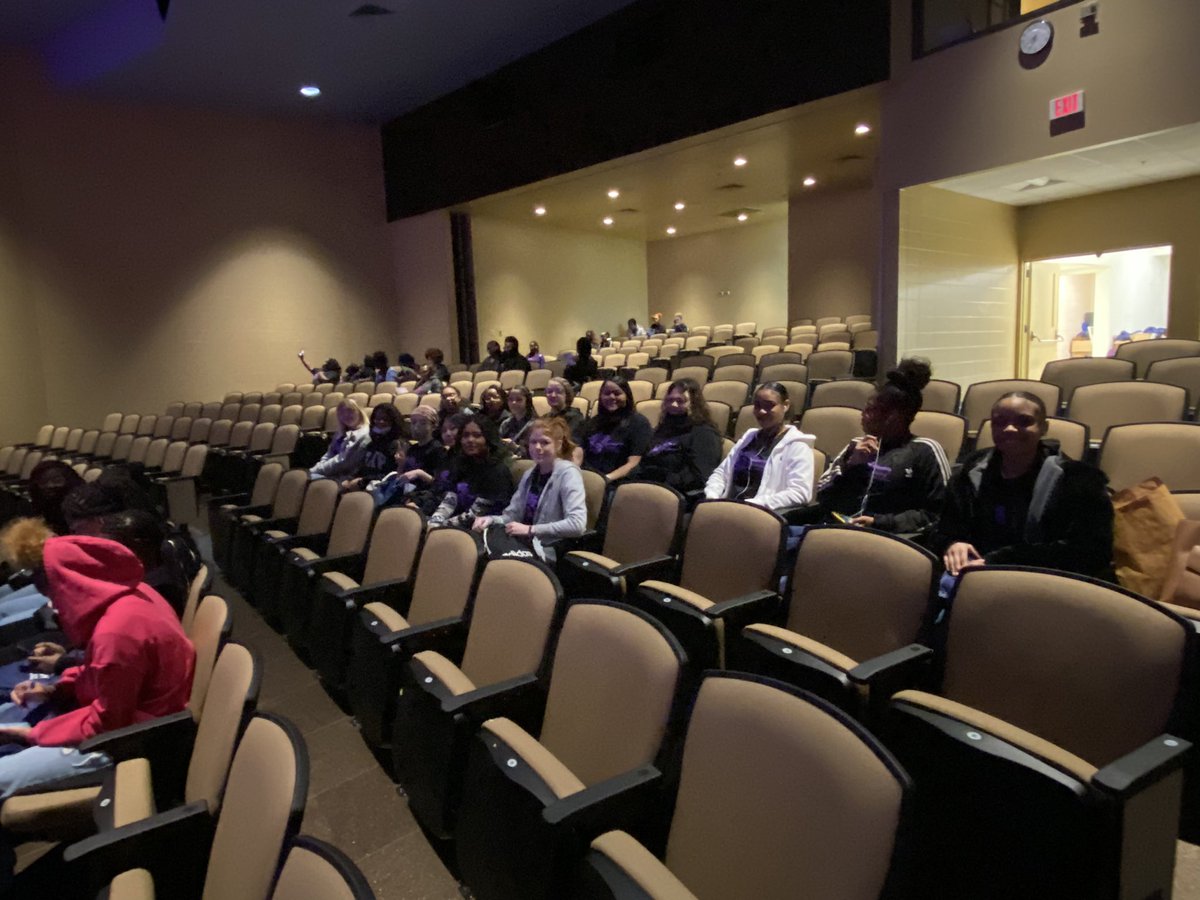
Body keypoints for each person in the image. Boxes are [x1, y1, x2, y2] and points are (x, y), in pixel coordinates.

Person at [0, 532, 194, 798]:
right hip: (136, 716)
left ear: (70, 583)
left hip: (133, 742)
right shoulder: (136, 592)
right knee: (14, 714)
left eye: (54, 595)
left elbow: (107, 724)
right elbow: (107, 676)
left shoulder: (114, 634)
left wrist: (33, 734)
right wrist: (55, 690)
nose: (55, 606)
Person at [933, 391, 1114, 580]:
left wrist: (999, 561)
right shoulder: (970, 471)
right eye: (1000, 422)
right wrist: (953, 543)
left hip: (1044, 581)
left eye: (1024, 421)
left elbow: (1091, 552)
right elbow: (945, 527)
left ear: (1044, 427)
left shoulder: (1079, 479)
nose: (1009, 428)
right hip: (972, 575)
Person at [814, 359, 951, 535]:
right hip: (837, 531)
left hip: (886, 541)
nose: (863, 415)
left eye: (872, 410)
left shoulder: (926, 451)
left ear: (894, 417)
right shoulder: (857, 446)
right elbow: (824, 498)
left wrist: (879, 522)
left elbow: (936, 514)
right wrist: (850, 465)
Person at [472, 418, 587, 564]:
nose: (537, 447)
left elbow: (577, 524)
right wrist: (490, 519)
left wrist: (531, 529)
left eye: (545, 442)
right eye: (533, 442)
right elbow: (512, 515)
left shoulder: (568, 474)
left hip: (549, 548)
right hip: (523, 542)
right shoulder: (530, 473)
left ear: (558, 445)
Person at [705, 382, 815, 511]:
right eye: (757, 406)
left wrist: (753, 504)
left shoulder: (797, 445)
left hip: (760, 514)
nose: (761, 411)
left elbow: (800, 492)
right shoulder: (748, 438)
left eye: (769, 406)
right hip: (726, 508)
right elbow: (721, 473)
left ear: (785, 405)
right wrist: (713, 496)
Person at [626, 378, 722, 493]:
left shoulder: (704, 432)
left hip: (676, 493)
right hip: (649, 485)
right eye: (670, 400)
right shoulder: (664, 428)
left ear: (694, 403)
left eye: (680, 401)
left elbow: (701, 475)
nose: (674, 404)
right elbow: (645, 460)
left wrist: (666, 480)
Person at [428, 417, 514, 529]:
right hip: (455, 524)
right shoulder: (461, 464)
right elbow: (450, 500)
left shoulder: (498, 471)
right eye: (465, 436)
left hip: (483, 528)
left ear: (488, 439)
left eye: (477, 435)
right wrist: (434, 522)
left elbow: (477, 513)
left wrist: (441, 527)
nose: (470, 440)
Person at [365, 405, 447, 508]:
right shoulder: (412, 448)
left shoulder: (437, 449)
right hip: (404, 493)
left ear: (434, 427)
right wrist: (400, 465)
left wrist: (419, 473)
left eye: (422, 423)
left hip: (421, 497)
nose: (416, 427)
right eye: (413, 423)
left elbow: (439, 484)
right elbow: (401, 477)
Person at [576, 377, 653, 482]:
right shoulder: (593, 422)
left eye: (617, 393)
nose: (611, 397)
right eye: (607, 393)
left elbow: (634, 463)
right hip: (588, 479)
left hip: (617, 482)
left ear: (627, 396)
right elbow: (579, 450)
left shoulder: (639, 423)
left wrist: (606, 479)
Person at [342, 403, 404, 491]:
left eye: (385, 419)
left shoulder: (398, 444)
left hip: (379, 488)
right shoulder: (372, 442)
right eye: (377, 419)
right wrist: (351, 479)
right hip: (362, 484)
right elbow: (362, 467)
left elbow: (391, 475)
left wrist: (363, 481)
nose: (380, 422)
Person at [309, 400, 370, 482]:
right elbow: (329, 454)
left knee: (308, 480)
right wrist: (317, 468)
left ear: (359, 412)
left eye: (350, 411)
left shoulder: (364, 433)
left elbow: (343, 461)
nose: (346, 415)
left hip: (348, 477)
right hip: (333, 473)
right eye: (342, 413)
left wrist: (316, 470)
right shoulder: (341, 432)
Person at [500, 385, 536, 456]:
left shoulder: (535, 425)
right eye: (510, 399)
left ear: (527, 401)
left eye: (519, 400)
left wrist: (515, 448)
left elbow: (535, 453)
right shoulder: (505, 423)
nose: (513, 403)